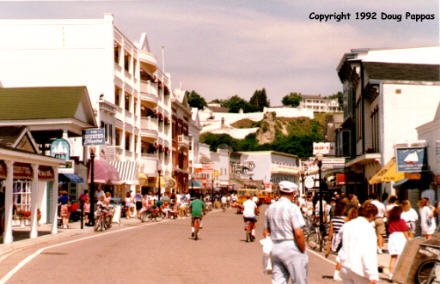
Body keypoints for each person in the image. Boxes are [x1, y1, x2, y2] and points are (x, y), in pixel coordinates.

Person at [264, 181, 308, 284]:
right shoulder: (293, 208)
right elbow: (298, 233)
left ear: (279, 192)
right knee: (299, 280)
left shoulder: (270, 208)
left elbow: (266, 232)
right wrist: (302, 250)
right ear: (293, 193)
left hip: (275, 246)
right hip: (291, 245)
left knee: (278, 281)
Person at [338, 202, 379, 284]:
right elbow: (368, 253)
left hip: (345, 267)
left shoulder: (347, 225)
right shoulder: (368, 228)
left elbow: (341, 242)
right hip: (359, 269)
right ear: (371, 215)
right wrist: (372, 274)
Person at [325, 200, 347, 281]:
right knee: (342, 256)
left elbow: (331, 231)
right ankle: (337, 273)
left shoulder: (333, 220)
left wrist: (329, 242)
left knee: (340, 255)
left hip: (335, 237)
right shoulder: (345, 219)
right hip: (343, 238)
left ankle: (339, 272)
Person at [387, 206, 409, 280]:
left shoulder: (390, 221)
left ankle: (390, 274)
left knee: (393, 257)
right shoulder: (402, 221)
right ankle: (402, 274)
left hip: (392, 237)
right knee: (403, 257)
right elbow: (405, 231)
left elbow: (389, 230)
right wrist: (408, 239)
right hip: (400, 237)